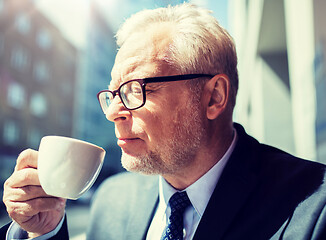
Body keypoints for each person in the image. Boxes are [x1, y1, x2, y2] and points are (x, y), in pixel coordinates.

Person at [1, 3, 326, 240]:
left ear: (214, 97)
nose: (115, 111)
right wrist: (44, 232)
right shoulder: (111, 199)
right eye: (112, 94)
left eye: (136, 90)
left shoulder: (314, 210)